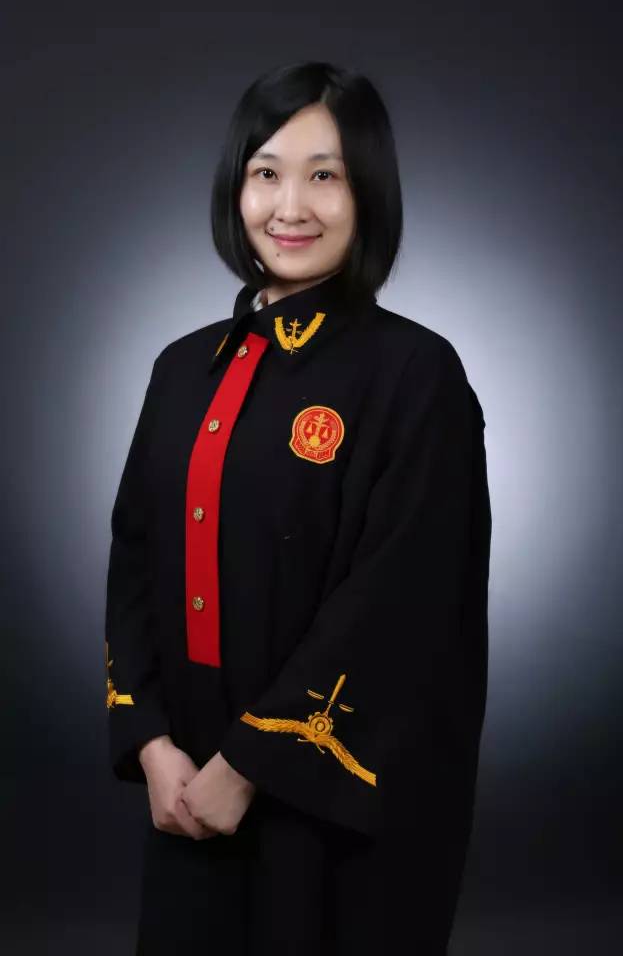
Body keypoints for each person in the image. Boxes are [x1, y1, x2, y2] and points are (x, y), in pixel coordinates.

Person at [105, 60, 492, 955]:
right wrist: (152, 742)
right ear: (235, 188)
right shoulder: (181, 368)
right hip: (187, 778)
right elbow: (135, 559)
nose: (291, 206)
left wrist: (250, 763)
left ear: (369, 194)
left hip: (333, 791)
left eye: (326, 175)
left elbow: (401, 603)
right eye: (266, 172)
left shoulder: (416, 374)